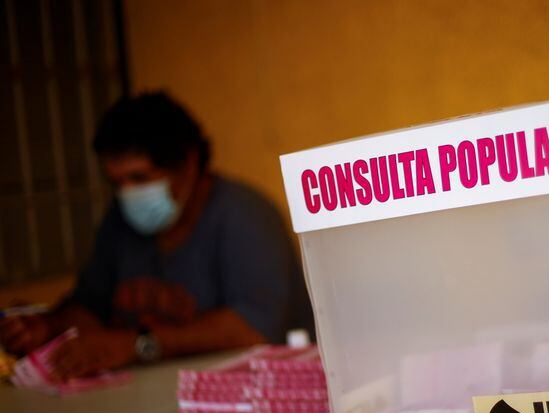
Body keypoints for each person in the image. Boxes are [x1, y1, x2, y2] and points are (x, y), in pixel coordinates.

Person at [0, 92, 314, 377]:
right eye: (117, 182)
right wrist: (47, 327)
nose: (128, 193)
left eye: (140, 177)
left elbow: (253, 327)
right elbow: (91, 304)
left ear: (188, 163)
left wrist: (139, 345)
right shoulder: (119, 222)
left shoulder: (244, 215)